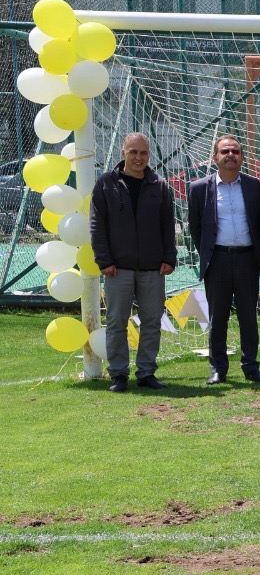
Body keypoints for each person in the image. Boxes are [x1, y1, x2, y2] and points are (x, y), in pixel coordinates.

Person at [89, 132, 175, 392]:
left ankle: (146, 372)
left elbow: (167, 225)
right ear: (123, 153)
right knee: (117, 322)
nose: (139, 157)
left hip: (153, 268)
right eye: (133, 152)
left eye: (144, 153)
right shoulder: (106, 183)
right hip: (117, 268)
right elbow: (97, 225)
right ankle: (118, 374)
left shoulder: (159, 185)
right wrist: (104, 260)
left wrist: (169, 257)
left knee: (152, 321)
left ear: (149, 155)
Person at [189, 135, 260, 385]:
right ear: (215, 157)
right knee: (218, 317)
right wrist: (210, 254)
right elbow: (196, 228)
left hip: (247, 260)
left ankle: (251, 367)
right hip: (217, 261)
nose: (230, 155)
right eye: (225, 151)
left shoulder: (254, 186)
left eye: (235, 151)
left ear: (242, 158)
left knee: (248, 317)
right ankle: (218, 369)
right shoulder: (199, 188)